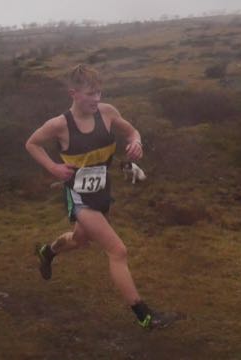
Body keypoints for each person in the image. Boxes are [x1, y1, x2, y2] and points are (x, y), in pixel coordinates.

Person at [25, 64, 178, 329]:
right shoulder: (59, 125)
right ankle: (145, 317)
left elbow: (132, 131)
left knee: (79, 239)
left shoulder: (107, 113)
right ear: (74, 93)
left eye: (99, 92)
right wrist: (52, 167)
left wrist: (136, 143)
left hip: (102, 192)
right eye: (90, 94)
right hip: (78, 195)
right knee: (118, 251)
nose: (97, 98)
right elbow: (31, 143)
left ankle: (47, 252)